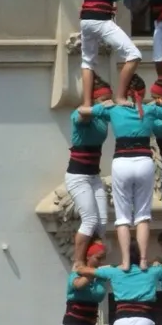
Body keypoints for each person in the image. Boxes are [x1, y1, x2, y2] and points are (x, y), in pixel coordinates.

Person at [92, 76, 162, 272]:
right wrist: (160, 101)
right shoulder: (150, 109)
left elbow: (85, 111)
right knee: (142, 216)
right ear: (143, 93)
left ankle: (125, 261)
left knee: (122, 216)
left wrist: (105, 103)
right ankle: (142, 259)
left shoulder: (113, 109)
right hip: (144, 162)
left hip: (122, 162)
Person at [77, 0, 154, 108]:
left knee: (87, 62)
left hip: (85, 20)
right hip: (101, 20)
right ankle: (120, 96)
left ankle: (86, 103)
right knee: (133, 55)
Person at [65, 80, 113, 265]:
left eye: (109, 98)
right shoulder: (81, 114)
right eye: (103, 99)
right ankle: (78, 262)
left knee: (101, 223)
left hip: (94, 175)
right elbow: (83, 115)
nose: (107, 102)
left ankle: (94, 257)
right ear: (93, 100)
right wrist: (101, 107)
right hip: (78, 176)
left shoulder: (103, 118)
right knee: (90, 220)